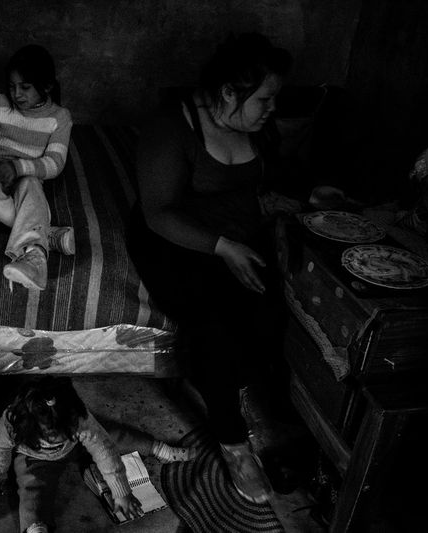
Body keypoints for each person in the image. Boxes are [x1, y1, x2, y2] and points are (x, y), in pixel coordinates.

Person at [127, 32, 295, 504]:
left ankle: (253, 398)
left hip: (233, 233)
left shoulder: (258, 125)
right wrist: (223, 248)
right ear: (228, 92)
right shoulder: (171, 128)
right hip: (174, 238)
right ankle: (233, 443)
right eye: (263, 99)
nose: (272, 108)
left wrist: (289, 202)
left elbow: (264, 180)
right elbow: (159, 212)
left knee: (269, 305)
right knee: (212, 323)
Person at [0, 376, 198, 533]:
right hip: (36, 460)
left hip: (76, 445)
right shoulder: (12, 422)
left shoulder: (78, 418)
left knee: (113, 436)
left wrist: (121, 492)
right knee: (31, 490)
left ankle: (159, 449)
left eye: (62, 432)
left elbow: (105, 451)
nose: (56, 439)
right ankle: (36, 526)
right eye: (51, 435)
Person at [0, 44, 75, 291]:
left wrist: (17, 168)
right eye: (11, 86)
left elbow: (55, 163)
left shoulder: (59, 118)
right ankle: (47, 234)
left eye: (25, 87)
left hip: (24, 179)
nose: (16, 94)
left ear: (46, 86)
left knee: (31, 184)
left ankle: (35, 260)